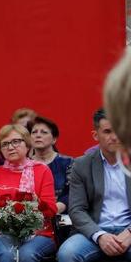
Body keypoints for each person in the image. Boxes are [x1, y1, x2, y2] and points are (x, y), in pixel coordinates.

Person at [57, 109, 131, 262]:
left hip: (128, 231)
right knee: (67, 254)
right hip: (93, 232)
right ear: (95, 135)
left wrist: (130, 233)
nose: (115, 137)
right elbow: (76, 209)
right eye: (107, 131)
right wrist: (100, 236)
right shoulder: (82, 164)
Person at [0, 124, 57, 262]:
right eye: (5, 144)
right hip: (0, 233)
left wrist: (29, 210)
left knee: (26, 255)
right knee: (7, 255)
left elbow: (51, 208)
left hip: (39, 234)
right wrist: (10, 214)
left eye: (16, 141)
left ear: (27, 144)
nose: (10, 147)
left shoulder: (42, 170)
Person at [28, 115, 73, 214]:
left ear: (54, 139)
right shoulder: (25, 165)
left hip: (61, 216)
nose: (38, 135)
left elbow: (73, 192)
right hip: (30, 217)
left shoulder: (68, 162)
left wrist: (54, 209)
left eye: (44, 132)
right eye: (34, 132)